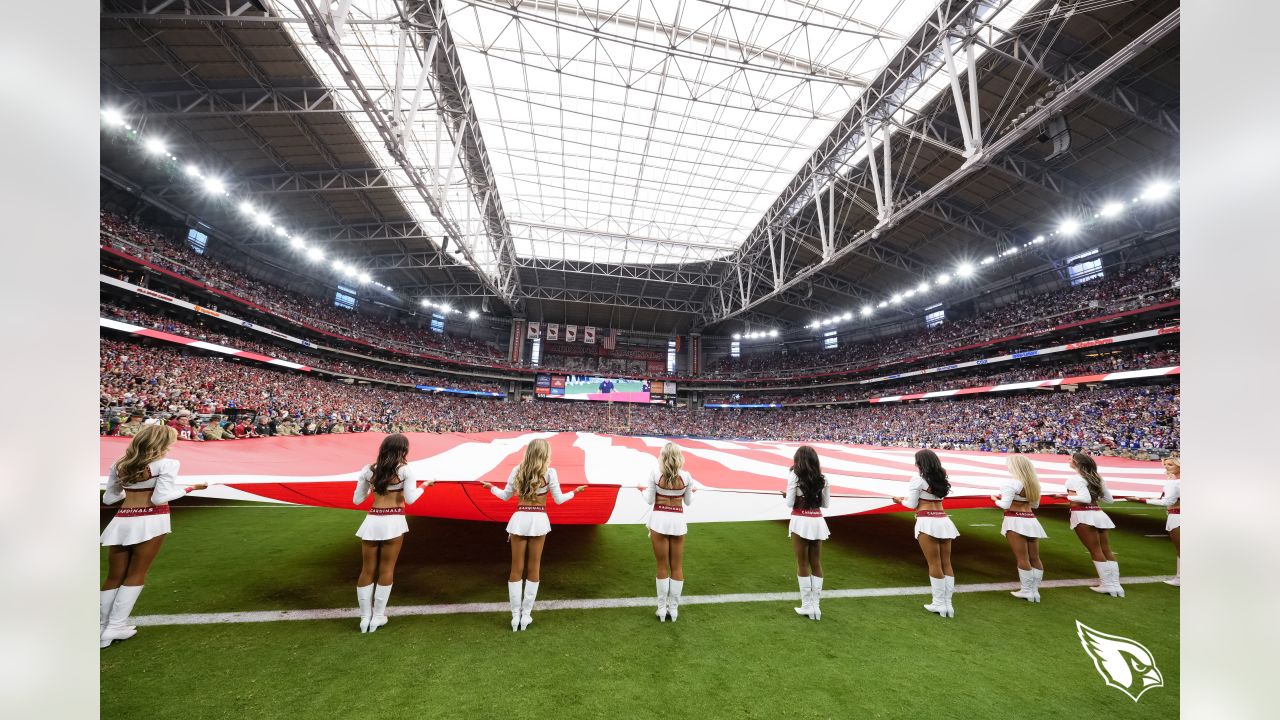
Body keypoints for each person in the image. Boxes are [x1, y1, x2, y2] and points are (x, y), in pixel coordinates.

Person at [100, 425, 209, 648]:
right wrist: (190, 488)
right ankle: (116, 626)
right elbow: (160, 498)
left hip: (121, 521)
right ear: (161, 443)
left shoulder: (119, 465)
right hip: (151, 520)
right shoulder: (168, 464)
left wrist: (131, 489)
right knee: (136, 573)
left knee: (114, 576)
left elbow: (109, 499)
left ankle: (102, 628)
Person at [480, 438, 586, 631]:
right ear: (545, 454)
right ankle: (526, 615)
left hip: (519, 519)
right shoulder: (550, 473)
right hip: (538, 520)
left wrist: (491, 488)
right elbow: (560, 500)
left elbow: (505, 496)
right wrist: (575, 492)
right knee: (534, 567)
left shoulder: (517, 470)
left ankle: (515, 617)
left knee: (515, 568)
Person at [352, 433, 433, 633]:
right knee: (386, 569)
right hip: (394, 522)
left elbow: (357, 500)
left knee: (367, 570)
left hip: (372, 521)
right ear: (403, 450)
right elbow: (411, 499)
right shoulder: (406, 470)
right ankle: (378, 616)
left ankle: (364, 619)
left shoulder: (368, 470)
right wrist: (424, 486)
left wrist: (373, 487)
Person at [637, 442, 701, 622]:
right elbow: (688, 501)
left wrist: (640, 490)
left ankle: (661, 609)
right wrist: (693, 492)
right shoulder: (687, 476)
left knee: (662, 566)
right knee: (677, 567)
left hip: (659, 521)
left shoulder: (654, 474)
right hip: (678, 521)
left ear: (662, 456)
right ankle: (673, 610)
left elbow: (649, 499)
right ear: (679, 456)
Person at [892, 449, 959, 618]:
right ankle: (948, 604)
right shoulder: (942, 478)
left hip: (927, 522)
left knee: (934, 564)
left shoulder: (917, 480)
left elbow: (912, 504)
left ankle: (938, 604)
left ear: (920, 464)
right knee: (946, 563)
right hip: (944, 521)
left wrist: (900, 500)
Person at [1065, 452, 1124, 598]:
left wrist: (1067, 496)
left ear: (1077, 463)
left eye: (1071, 459)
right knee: (1106, 550)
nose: (1068, 460)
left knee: (1096, 550)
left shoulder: (1075, 479)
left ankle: (1107, 585)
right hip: (1098, 514)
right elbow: (1109, 500)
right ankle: (1116, 586)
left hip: (1083, 515)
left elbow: (1084, 498)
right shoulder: (1097, 478)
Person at [992, 455, 1048, 602]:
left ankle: (1026, 591)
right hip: (1031, 520)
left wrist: (995, 500)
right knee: (1035, 557)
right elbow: (1035, 506)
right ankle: (1034, 591)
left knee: (1022, 558)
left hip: (1015, 520)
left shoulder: (1011, 483)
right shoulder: (1034, 484)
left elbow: (1005, 505)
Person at [784, 445, 830, 620]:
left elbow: (789, 503)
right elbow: (825, 505)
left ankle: (807, 606)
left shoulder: (794, 475)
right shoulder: (823, 478)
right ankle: (816, 608)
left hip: (801, 521)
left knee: (802, 563)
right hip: (818, 521)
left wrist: (793, 495)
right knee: (816, 563)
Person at [1136, 455, 1180, 586]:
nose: (1166, 467)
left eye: (1170, 464)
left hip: (1177, 516)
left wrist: (1143, 500)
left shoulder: (1174, 482)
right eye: (1165, 464)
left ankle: (1179, 579)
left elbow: (1168, 501)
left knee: (1181, 550)